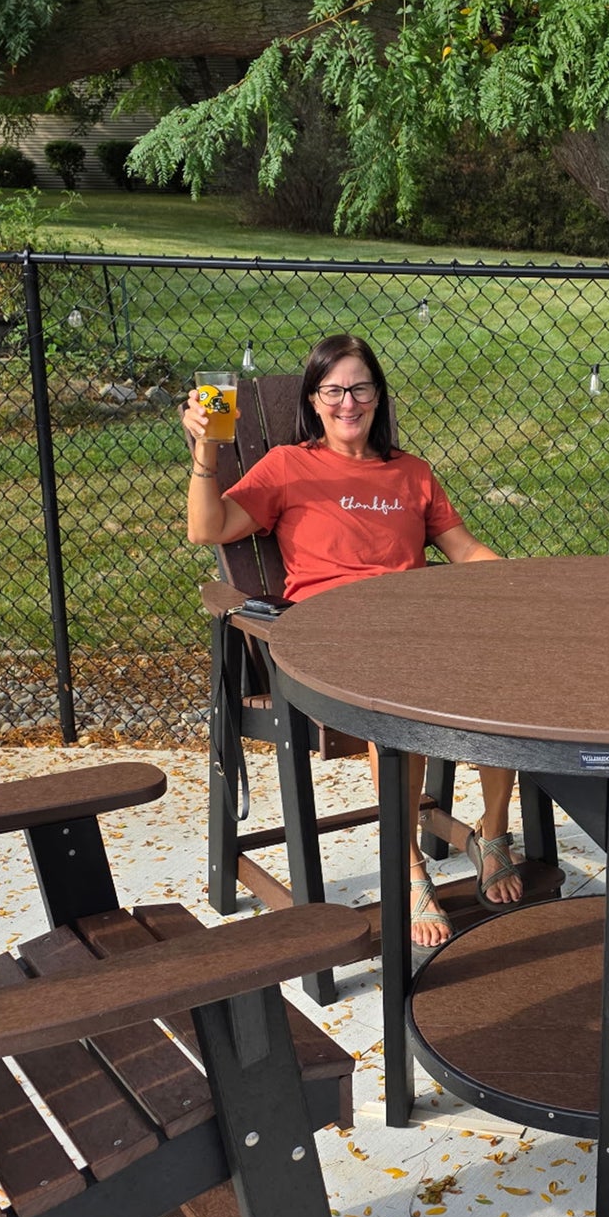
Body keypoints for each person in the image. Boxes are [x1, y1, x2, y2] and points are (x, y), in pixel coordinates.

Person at [183, 333, 523, 948]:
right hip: (329, 640)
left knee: (501, 673)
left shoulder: (411, 472)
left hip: (416, 627)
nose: (348, 402)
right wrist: (207, 450)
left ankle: (493, 831)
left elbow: (464, 549)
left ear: (378, 396)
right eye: (334, 390)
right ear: (314, 400)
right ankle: (408, 867)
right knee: (401, 691)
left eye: (360, 389)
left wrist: (527, 587)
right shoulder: (287, 466)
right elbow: (207, 528)